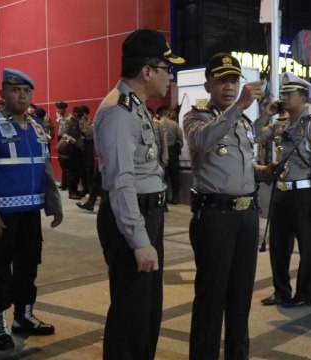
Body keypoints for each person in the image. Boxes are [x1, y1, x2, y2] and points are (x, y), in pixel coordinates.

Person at [93, 28, 184, 360]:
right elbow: (121, 182)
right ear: (147, 71)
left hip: (149, 213)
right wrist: (139, 240)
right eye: (167, 68)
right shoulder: (118, 111)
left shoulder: (138, 107)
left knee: (147, 311)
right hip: (134, 219)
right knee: (132, 313)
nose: (169, 76)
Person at [183, 53, 272, 359]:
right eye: (221, 81)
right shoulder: (196, 117)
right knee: (211, 298)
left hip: (246, 216)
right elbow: (204, 141)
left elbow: (242, 164)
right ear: (208, 85)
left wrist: (263, 171)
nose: (229, 86)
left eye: (234, 80)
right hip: (214, 217)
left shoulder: (244, 121)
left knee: (240, 296)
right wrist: (239, 108)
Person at [0, 68, 63, 350]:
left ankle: (23, 315)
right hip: (0, 215)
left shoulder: (35, 125)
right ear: (2, 94)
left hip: (30, 213)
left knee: (28, 264)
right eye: (15, 90)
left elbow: (45, 167)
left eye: (26, 91)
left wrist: (54, 204)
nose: (21, 95)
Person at [255, 71, 311, 309]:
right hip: (281, 193)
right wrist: (264, 113)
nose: (285, 98)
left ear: (303, 99)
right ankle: (281, 292)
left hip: (304, 194)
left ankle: (306, 294)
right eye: (284, 94)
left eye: (290, 94)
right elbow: (255, 136)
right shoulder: (279, 124)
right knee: (279, 246)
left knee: (308, 247)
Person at [160, 106, 184, 204]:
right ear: (167, 113)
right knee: (175, 177)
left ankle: (163, 200)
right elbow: (180, 138)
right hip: (173, 152)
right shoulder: (174, 124)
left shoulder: (157, 124)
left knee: (163, 177)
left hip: (161, 153)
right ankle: (175, 198)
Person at [55, 101, 72, 190]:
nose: (57, 110)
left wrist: (59, 118)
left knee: (67, 162)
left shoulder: (69, 117)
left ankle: (67, 184)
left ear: (63, 109)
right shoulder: (60, 117)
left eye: (58, 108)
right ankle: (64, 183)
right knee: (61, 161)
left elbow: (66, 128)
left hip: (66, 139)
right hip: (60, 138)